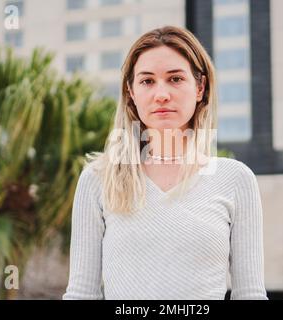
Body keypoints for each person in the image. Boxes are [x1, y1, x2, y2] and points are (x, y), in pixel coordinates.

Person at [62, 25, 267, 300]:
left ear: (200, 87)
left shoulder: (235, 179)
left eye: (175, 79)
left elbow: (250, 295)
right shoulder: (97, 179)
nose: (161, 94)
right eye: (147, 81)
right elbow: (81, 294)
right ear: (131, 92)